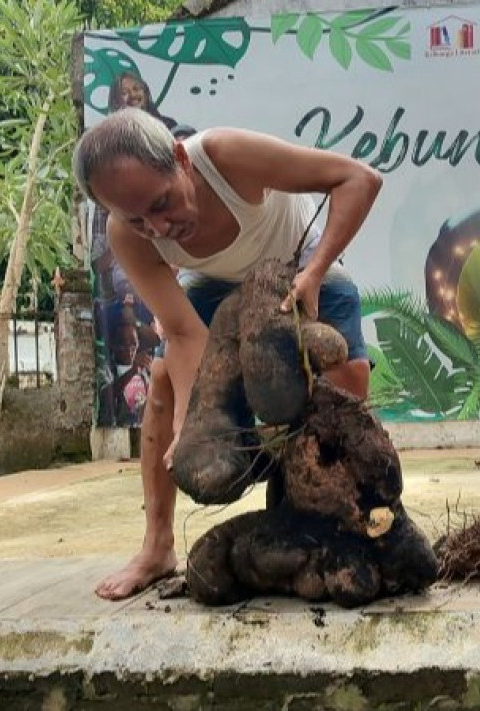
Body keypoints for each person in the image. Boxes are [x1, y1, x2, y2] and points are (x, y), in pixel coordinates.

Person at [72, 108, 383, 600]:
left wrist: (317, 269)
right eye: (138, 218)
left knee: (344, 388)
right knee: (162, 384)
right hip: (217, 290)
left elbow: (357, 179)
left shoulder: (226, 157)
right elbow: (182, 332)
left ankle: (351, 525)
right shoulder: (126, 233)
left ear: (179, 158)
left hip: (297, 272)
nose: (158, 226)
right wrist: (188, 428)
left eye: (162, 202)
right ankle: (156, 547)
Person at [108, 72, 179, 130]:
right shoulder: (112, 133)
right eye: (124, 93)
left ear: (145, 93)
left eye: (136, 89)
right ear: (116, 101)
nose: (132, 95)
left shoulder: (168, 125)